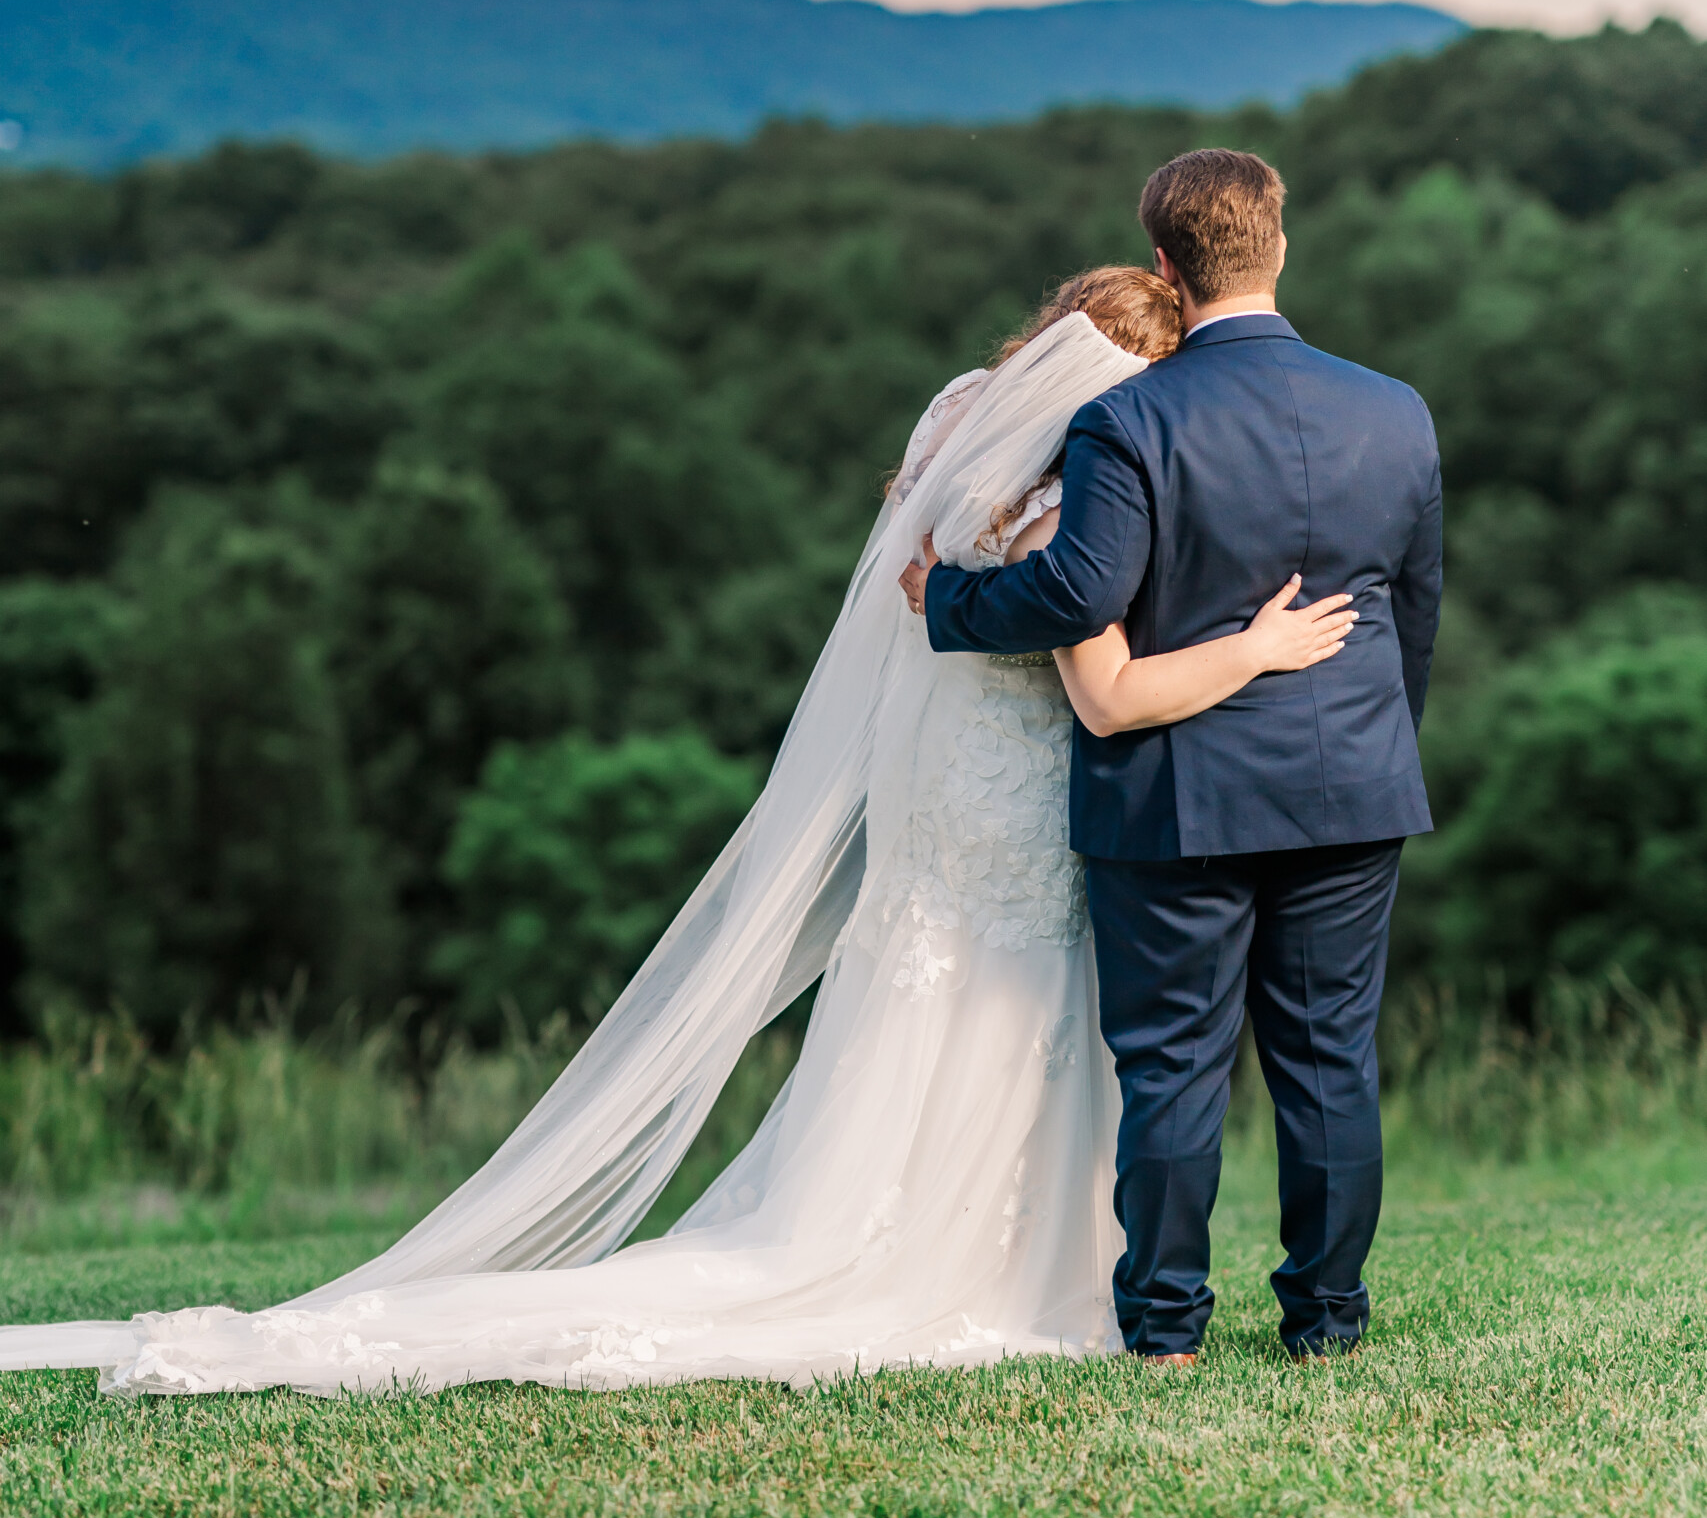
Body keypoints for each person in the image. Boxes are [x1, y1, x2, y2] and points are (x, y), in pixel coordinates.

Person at [0, 262, 1355, 1396]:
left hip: (936, 775)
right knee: (1025, 998)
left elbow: (903, 577)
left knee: (922, 983)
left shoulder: (960, 417)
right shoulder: (1088, 475)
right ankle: (1003, 1267)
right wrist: (1258, 645)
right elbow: (1106, 693)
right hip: (1027, 780)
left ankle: (901, 1227)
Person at [912, 149, 1442, 1362]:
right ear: (1278, 247)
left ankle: (1165, 1325)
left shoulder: (1128, 418)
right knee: (1328, 1064)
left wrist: (947, 601)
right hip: (1353, 784)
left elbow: (1078, 588)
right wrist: (1374, 744)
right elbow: (1415, 610)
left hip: (1177, 792)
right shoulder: (1395, 408)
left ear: (1164, 262)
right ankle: (1327, 1322)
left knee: (1172, 1071)